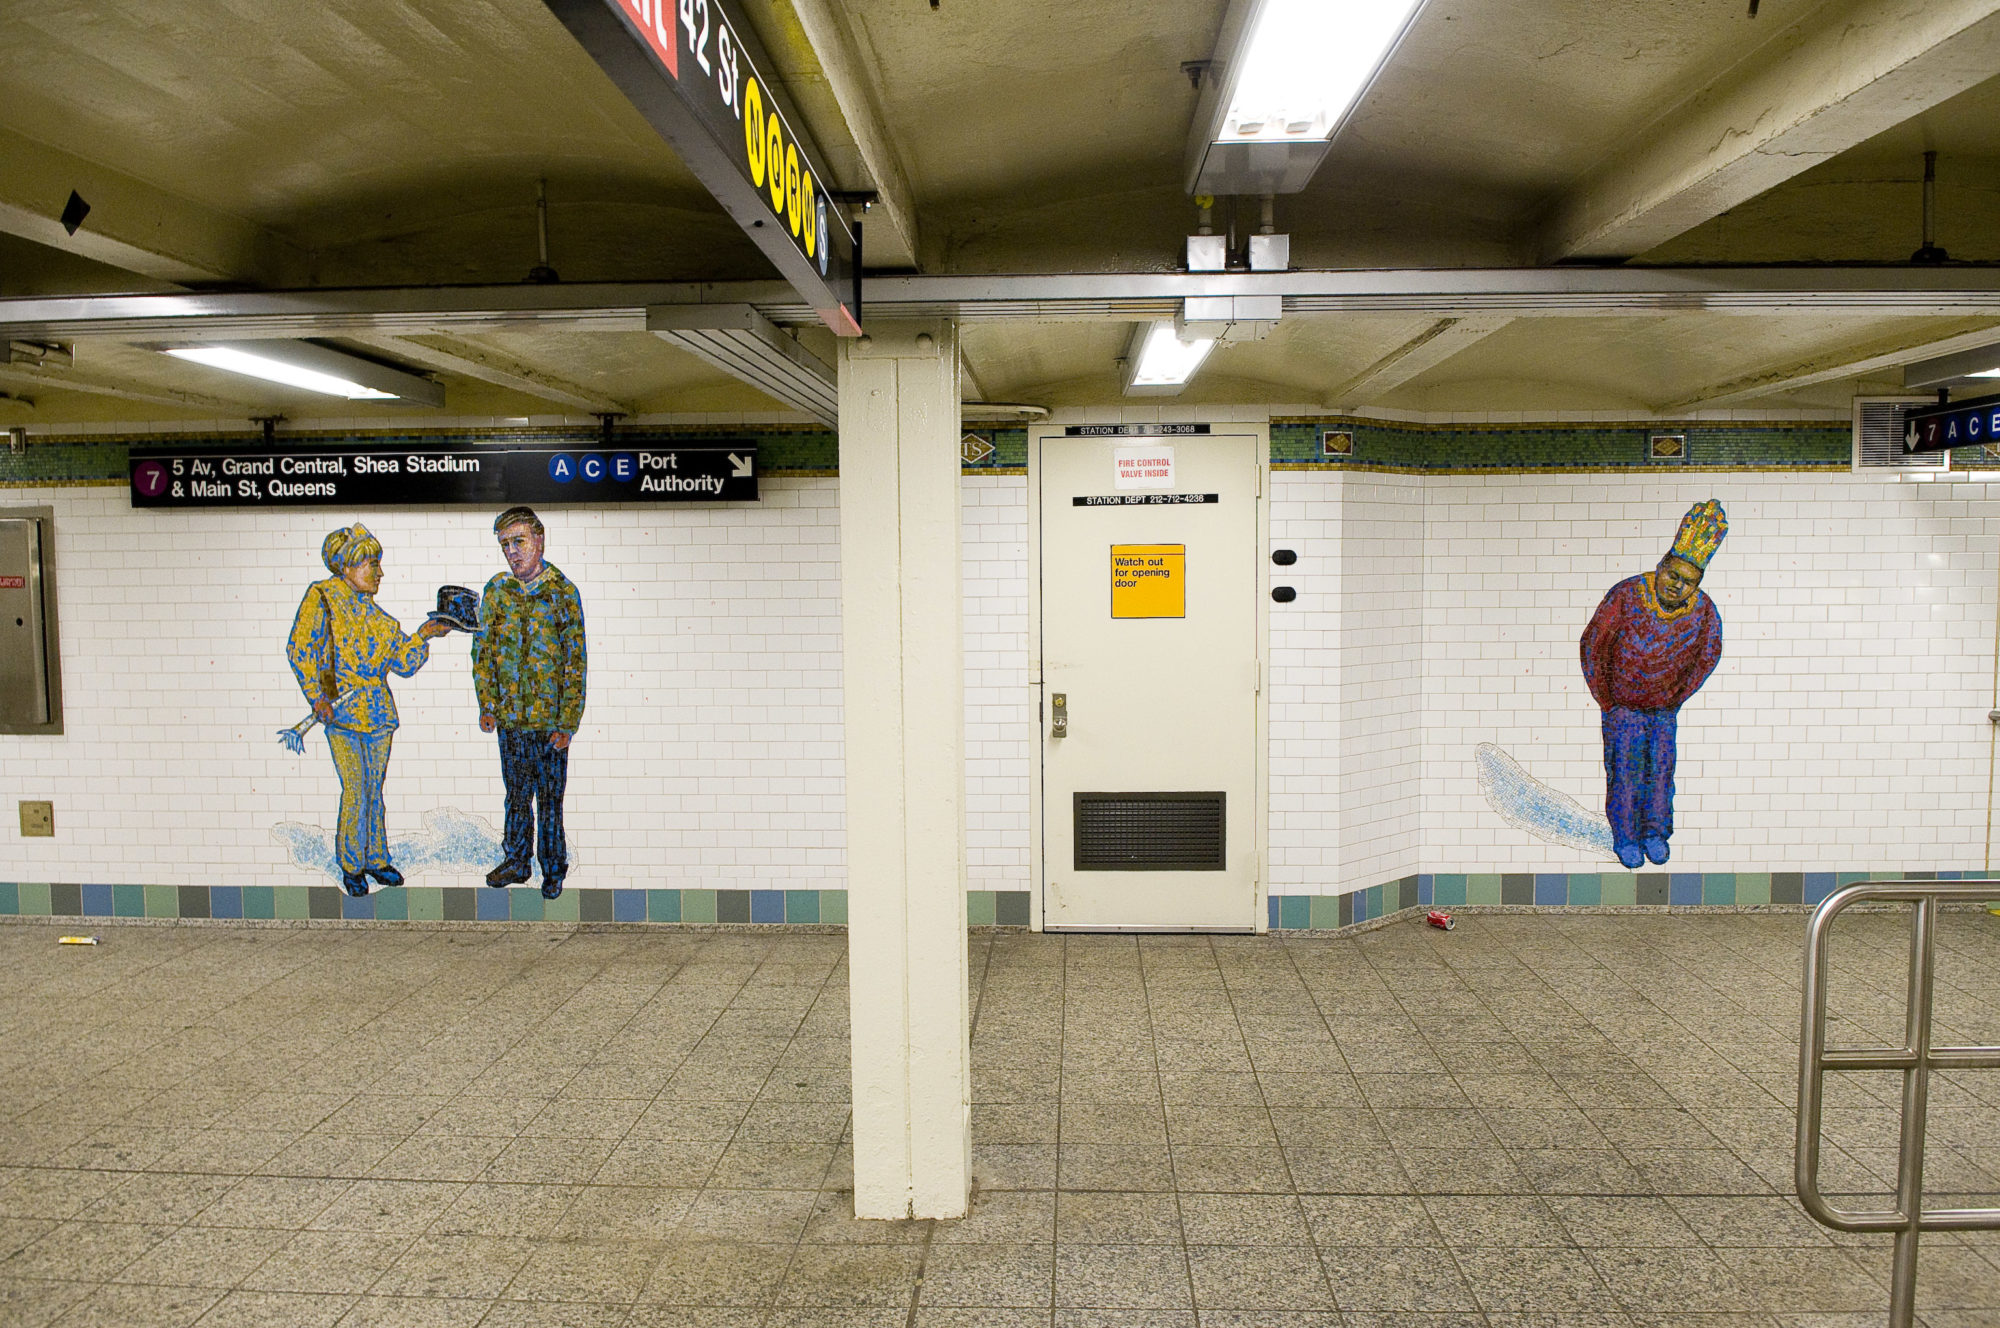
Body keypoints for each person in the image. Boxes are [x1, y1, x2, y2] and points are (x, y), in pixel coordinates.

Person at [287, 523, 450, 897]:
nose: (380, 572)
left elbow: (404, 663)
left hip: (378, 717)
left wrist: (425, 634)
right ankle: (351, 864)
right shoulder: (322, 598)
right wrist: (319, 696)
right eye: (371, 563)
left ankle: (376, 859)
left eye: (379, 563)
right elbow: (303, 650)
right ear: (347, 566)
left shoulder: (379, 619)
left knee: (373, 789)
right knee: (355, 789)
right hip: (342, 717)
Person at [1580, 500, 1727, 870]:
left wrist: (1678, 696)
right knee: (1627, 773)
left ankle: (1655, 834)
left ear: (1697, 585)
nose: (1678, 585)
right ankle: (1626, 837)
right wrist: (1606, 699)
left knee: (1660, 772)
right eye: (1673, 575)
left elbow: (1708, 655)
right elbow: (1593, 645)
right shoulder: (1626, 595)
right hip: (1623, 708)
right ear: (1661, 567)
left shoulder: (1704, 610)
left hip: (1663, 710)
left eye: (1688, 581)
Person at [473, 506, 586, 898]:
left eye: (518, 541)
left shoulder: (562, 593)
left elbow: (575, 661)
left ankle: (553, 868)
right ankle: (517, 861)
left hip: (550, 721)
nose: (512, 552)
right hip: (511, 719)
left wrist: (568, 721)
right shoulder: (496, 592)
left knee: (550, 799)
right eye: (505, 545)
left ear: (539, 540)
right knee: (517, 795)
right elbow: (483, 652)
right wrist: (487, 704)